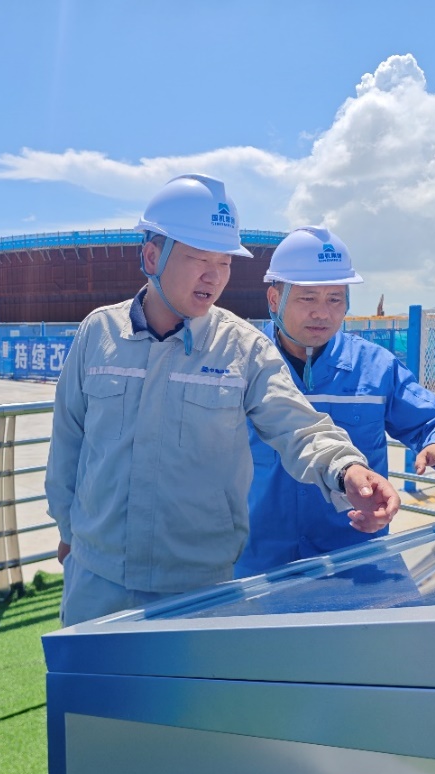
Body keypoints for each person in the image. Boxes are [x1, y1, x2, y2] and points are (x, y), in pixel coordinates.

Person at [45, 174, 401, 626]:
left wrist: (347, 470)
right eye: (199, 258)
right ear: (152, 257)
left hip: (199, 588)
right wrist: (69, 530)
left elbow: (299, 427)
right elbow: (68, 444)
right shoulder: (98, 333)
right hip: (97, 579)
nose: (213, 276)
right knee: (90, 675)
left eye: (225, 262)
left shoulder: (242, 348)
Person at [235, 226, 435, 578]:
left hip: (358, 561)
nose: (322, 313)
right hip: (261, 564)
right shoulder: (242, 366)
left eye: (335, 299)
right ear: (275, 300)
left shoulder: (375, 368)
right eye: (308, 299)